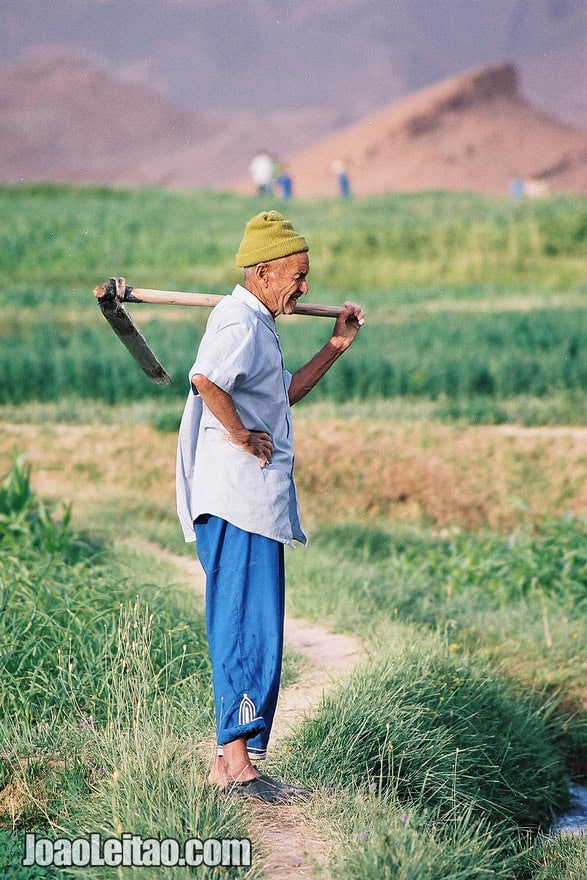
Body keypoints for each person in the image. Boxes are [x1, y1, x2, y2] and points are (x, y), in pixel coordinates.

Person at [176, 210, 364, 804]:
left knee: (254, 624)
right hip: (236, 502)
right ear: (263, 272)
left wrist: (335, 345)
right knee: (243, 625)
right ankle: (241, 768)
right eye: (297, 276)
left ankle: (228, 763)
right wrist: (240, 435)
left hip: (251, 504)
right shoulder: (237, 320)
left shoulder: (258, 321)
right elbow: (207, 380)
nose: (304, 288)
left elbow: (284, 392)